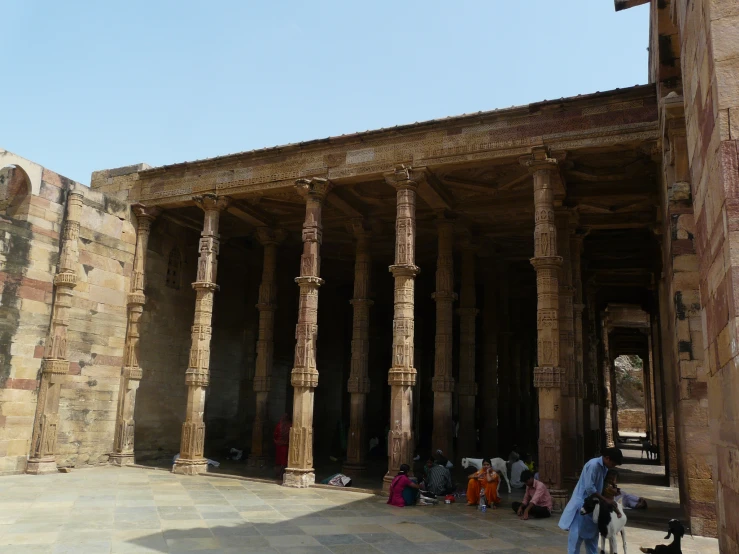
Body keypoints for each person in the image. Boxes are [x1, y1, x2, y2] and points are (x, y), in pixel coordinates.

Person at [559, 447, 624, 554]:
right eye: (613, 464)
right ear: (607, 458)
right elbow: (590, 488)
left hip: (594, 505)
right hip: (583, 504)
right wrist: (605, 500)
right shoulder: (593, 465)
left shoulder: (604, 468)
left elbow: (599, 486)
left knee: (592, 538)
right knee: (576, 538)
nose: (613, 466)